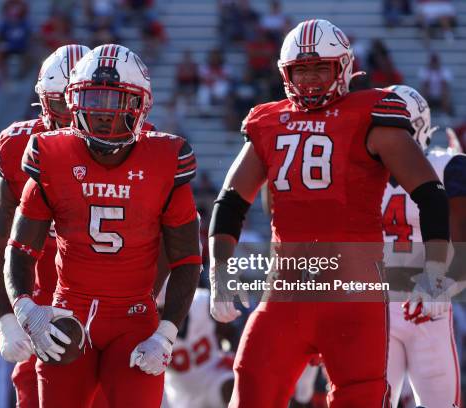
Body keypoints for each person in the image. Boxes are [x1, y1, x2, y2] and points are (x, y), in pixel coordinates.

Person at [208, 19, 450, 407]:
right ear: (285, 74)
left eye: (322, 67)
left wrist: (436, 271)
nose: (311, 79)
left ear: (344, 67)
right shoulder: (269, 120)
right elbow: (232, 202)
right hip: (285, 295)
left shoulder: (371, 111)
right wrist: (219, 272)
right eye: (301, 69)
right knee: (251, 391)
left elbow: (431, 194)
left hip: (354, 301)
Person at [4, 44, 202, 407]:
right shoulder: (50, 154)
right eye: (92, 98)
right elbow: (19, 248)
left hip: (134, 319)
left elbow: (187, 259)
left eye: (114, 100)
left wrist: (166, 333)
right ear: (73, 101)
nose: (101, 112)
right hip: (67, 312)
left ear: (140, 105)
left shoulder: (165, 159)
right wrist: (26, 311)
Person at [0, 43, 90, 408]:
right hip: (39, 301)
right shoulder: (18, 146)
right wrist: (6, 318)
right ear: (44, 102)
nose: (74, 117)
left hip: (109, 299)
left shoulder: (133, 146)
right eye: (62, 103)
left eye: (83, 103)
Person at [381, 85, 466, 408]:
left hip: (425, 307)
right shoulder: (362, 176)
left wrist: (445, 284)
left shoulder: (448, 168)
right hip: (374, 309)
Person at [160, 283, 235, 408]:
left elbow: (231, 332)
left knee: (234, 387)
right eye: (160, 310)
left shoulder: (202, 302)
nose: (166, 313)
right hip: (181, 395)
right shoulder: (148, 327)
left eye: (170, 306)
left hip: (215, 378)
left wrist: (234, 356)